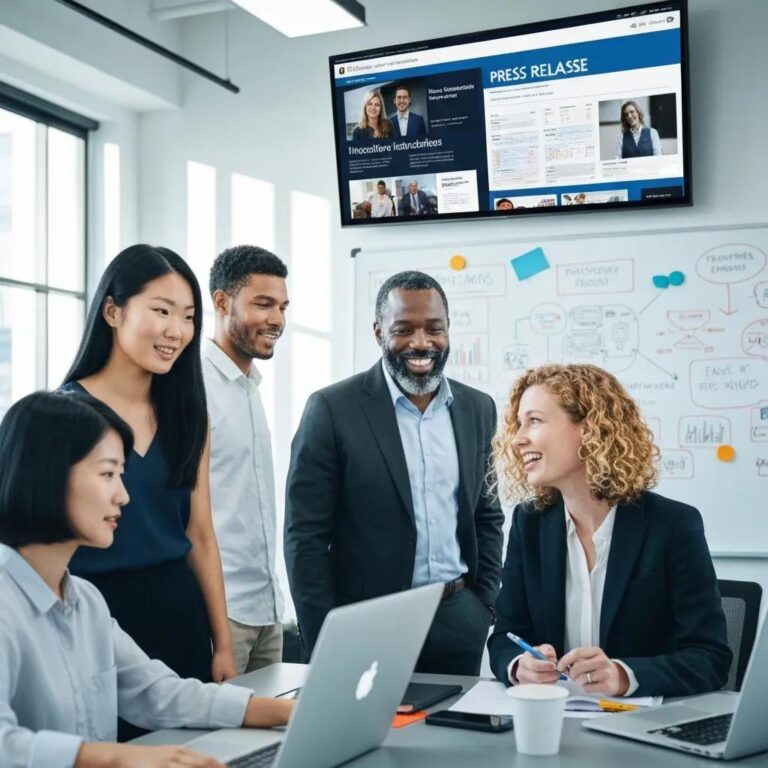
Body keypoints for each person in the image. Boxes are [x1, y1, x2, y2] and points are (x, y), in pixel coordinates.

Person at [0, 392, 292, 768]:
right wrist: (121, 758)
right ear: (47, 472)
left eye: (121, 475)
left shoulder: (86, 602)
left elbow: (159, 693)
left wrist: (287, 712)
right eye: (107, 474)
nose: (123, 496)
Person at [285, 271, 504, 675]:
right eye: (404, 329)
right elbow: (305, 539)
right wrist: (322, 641)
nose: (421, 343)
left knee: (458, 738)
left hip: (459, 619)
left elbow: (486, 514)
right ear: (378, 331)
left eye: (434, 329)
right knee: (371, 738)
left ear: (448, 331)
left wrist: (483, 603)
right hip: (368, 625)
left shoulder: (477, 408)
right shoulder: (333, 409)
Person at [61, 244, 236, 739]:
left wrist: (221, 643)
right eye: (161, 311)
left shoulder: (187, 415)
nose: (176, 331)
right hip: (96, 616)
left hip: (179, 616)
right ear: (113, 311)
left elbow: (199, 534)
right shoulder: (64, 415)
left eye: (188, 317)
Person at [487, 364, 731, 698]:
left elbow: (710, 658)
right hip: (556, 721)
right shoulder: (529, 524)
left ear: (587, 430)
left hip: (643, 728)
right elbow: (505, 637)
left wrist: (624, 675)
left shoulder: (673, 525)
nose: (518, 438)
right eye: (519, 424)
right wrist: (518, 665)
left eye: (535, 420)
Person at [204, 245, 289, 675]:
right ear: (221, 303)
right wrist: (219, 636)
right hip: (223, 615)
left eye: (282, 306)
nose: (277, 319)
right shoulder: (195, 385)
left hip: (266, 607)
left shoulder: (248, 386)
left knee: (266, 737)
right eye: (263, 304)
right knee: (214, 741)